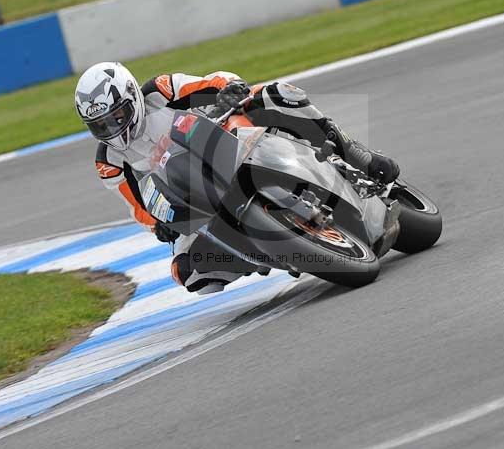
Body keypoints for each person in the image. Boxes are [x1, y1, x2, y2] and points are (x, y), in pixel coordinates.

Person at [75, 62, 399, 294]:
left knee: (277, 93)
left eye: (116, 116)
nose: (111, 128)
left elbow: (213, 81)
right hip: (192, 199)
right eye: (100, 125)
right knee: (187, 273)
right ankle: (259, 252)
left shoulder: (160, 90)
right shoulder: (109, 161)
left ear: (131, 98)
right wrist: (157, 224)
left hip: (226, 140)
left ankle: (352, 151)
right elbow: (137, 205)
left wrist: (228, 91)